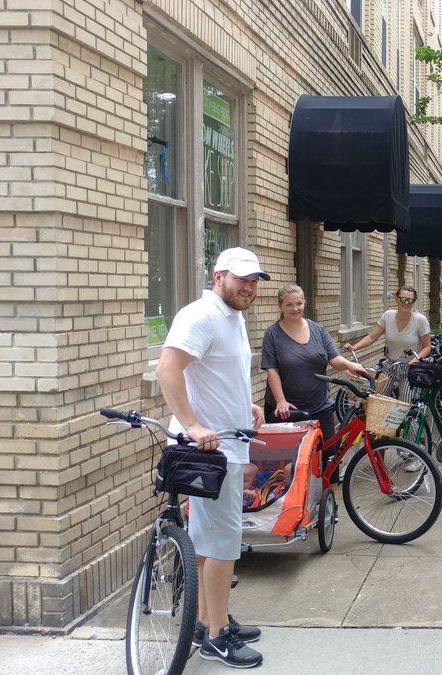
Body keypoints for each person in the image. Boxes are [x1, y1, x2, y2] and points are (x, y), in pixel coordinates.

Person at [155, 246, 267, 668]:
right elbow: (168, 368)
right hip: (208, 450)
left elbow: (221, 375)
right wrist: (192, 425)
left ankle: (206, 620)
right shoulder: (201, 315)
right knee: (222, 542)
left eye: (255, 281)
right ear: (218, 277)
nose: (250, 288)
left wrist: (249, 407)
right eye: (242, 280)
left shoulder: (232, 316)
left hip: (226, 443)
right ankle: (217, 637)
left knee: (209, 539)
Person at [261, 283, 369, 442]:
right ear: (280, 306)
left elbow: (333, 358)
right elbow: (272, 370)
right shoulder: (272, 334)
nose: (295, 308)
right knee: (294, 461)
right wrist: (281, 401)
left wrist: (349, 365)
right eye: (289, 304)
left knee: (329, 456)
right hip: (288, 408)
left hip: (320, 404)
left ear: (304, 303)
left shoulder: (317, 329)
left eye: (299, 303)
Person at [342, 285, 433, 364]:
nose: (406, 303)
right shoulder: (388, 315)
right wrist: (353, 347)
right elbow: (372, 337)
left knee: (406, 384)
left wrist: (414, 361)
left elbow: (427, 347)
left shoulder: (420, 320)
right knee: (380, 383)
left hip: (411, 366)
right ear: (396, 299)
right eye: (403, 299)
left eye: (410, 300)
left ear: (414, 302)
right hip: (391, 363)